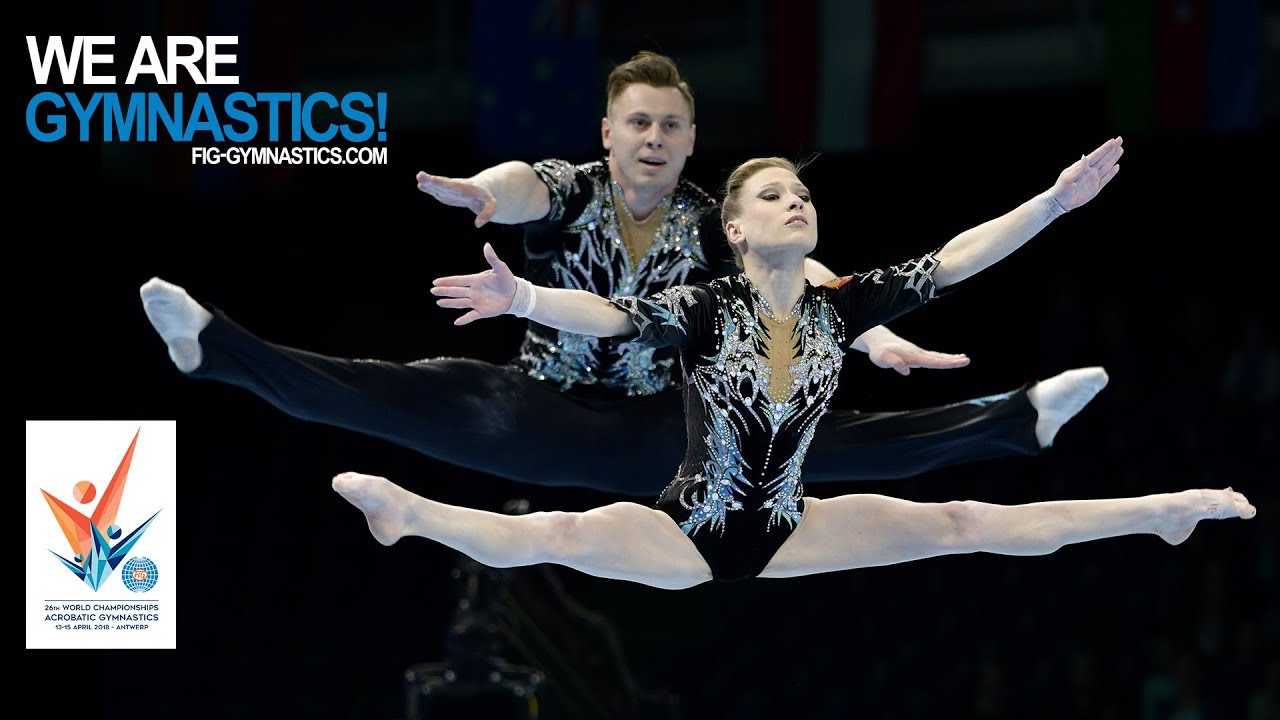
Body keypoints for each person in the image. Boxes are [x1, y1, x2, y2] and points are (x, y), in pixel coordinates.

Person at [139, 51, 1107, 496]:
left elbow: (804, 270)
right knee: (400, 392)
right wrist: (487, 191)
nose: (652, 138)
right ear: (609, 133)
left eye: (670, 125)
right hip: (538, 410)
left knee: (813, 437)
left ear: (690, 141)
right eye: (636, 123)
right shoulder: (573, 188)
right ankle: (216, 351)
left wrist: (874, 328)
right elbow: (527, 186)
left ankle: (1016, 421)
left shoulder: (707, 222)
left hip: (663, 431)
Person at [332, 143, 1255, 589]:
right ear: (734, 230)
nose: (798, 202)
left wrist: (1054, 202)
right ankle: (408, 516)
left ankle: (1162, 515)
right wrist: (526, 300)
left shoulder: (841, 305)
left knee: (966, 519)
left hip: (793, 527)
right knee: (558, 537)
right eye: (775, 195)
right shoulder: (704, 308)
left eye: (804, 193)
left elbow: (957, 258)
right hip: (685, 532)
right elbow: (611, 317)